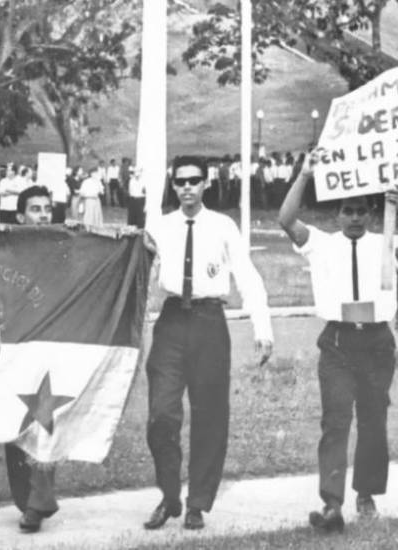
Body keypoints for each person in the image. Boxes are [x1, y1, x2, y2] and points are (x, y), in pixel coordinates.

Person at [142, 155, 273, 531]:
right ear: (174, 185)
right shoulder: (160, 226)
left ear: (206, 184)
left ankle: (198, 502)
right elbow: (141, 274)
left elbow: (247, 275)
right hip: (171, 322)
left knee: (210, 415)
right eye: (180, 181)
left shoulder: (223, 226)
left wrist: (262, 327)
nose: (187, 187)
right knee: (161, 415)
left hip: (209, 322)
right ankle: (170, 496)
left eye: (194, 181)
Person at [278, 151, 397, 534]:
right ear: (337, 215)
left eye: (362, 210)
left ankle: (366, 494)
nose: (356, 217)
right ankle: (332, 503)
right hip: (338, 342)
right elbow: (286, 220)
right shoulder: (322, 244)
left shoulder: (387, 242)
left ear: (372, 214)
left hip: (377, 340)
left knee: (374, 420)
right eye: (348, 210)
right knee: (336, 420)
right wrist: (305, 175)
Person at [9, 185, 59, 532]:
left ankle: (38, 503)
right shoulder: (6, 249)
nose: (42, 215)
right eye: (35, 209)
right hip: (13, 347)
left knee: (44, 421)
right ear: (20, 216)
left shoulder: (65, 247)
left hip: (54, 346)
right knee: (12, 424)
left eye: (46, 209)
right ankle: (25, 499)